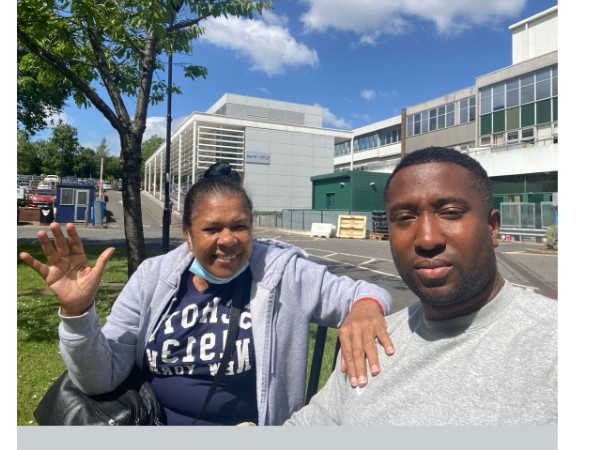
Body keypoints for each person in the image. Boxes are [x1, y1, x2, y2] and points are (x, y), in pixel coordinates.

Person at [19, 161, 395, 426]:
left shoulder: (285, 273)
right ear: (188, 234)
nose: (228, 240)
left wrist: (365, 305)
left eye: (239, 226)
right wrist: (78, 312)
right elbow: (99, 379)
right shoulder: (153, 277)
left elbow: (368, 292)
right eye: (212, 229)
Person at [284, 146, 557, 425]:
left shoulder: (553, 343)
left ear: (492, 227)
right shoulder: (370, 343)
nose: (427, 239)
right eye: (404, 218)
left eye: (450, 212)